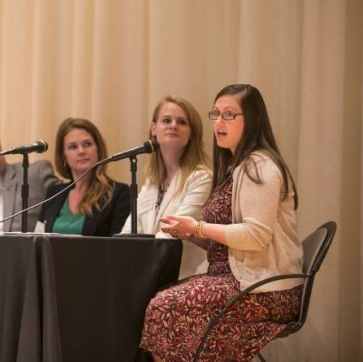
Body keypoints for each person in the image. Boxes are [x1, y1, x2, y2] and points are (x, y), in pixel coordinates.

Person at [139, 84, 303, 361]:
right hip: (237, 279)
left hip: (263, 288)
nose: (219, 122)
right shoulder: (236, 167)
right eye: (215, 114)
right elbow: (227, 240)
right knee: (161, 299)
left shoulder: (259, 166)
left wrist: (197, 227)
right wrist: (190, 233)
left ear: (251, 120)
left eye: (229, 114)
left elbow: (255, 235)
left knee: (165, 305)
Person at [120, 96, 212, 278]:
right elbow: (128, 232)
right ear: (154, 129)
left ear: (192, 133)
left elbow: (174, 233)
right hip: (149, 272)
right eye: (166, 120)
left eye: (182, 122)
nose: (173, 125)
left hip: (184, 276)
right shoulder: (150, 184)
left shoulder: (201, 177)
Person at [36, 117, 130, 236]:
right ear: (64, 156)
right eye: (73, 147)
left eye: (87, 144)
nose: (81, 151)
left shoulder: (119, 193)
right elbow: (39, 239)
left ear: (98, 149)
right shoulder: (54, 193)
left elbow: (120, 247)